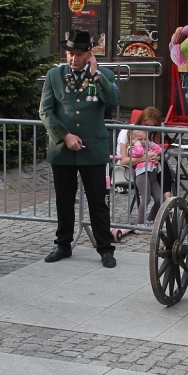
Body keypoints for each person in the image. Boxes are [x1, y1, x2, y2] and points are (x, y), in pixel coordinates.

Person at [40, 30, 121, 267]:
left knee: (98, 200)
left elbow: (114, 101)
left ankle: (105, 248)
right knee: (64, 200)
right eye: (69, 54)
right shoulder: (54, 75)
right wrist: (64, 136)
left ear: (89, 54)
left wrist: (97, 76)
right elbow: (45, 111)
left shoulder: (104, 74)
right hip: (63, 148)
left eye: (78, 54)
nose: (73, 58)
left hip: (92, 148)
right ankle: (63, 244)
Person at [117, 106, 175, 223]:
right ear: (141, 121)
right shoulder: (128, 132)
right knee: (149, 194)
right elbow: (124, 160)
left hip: (149, 167)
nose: (148, 129)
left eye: (152, 127)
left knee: (165, 166)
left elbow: (156, 150)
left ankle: (159, 212)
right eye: (146, 124)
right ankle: (166, 204)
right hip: (129, 167)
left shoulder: (148, 135)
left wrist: (154, 157)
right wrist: (146, 157)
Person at [128, 129, 166, 225]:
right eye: (140, 139)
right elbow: (139, 153)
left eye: (145, 139)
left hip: (152, 176)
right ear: (133, 140)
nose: (144, 141)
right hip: (142, 175)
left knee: (159, 199)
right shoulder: (132, 149)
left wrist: (150, 143)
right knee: (146, 198)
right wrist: (137, 143)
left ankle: (151, 219)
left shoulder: (148, 147)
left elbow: (160, 150)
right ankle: (140, 222)